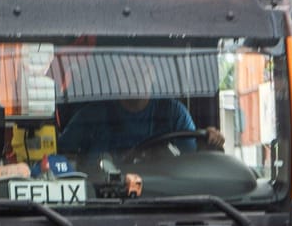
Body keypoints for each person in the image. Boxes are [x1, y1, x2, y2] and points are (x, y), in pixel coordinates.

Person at [58, 57, 223, 159]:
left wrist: (207, 142)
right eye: (127, 71)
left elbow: (191, 161)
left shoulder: (174, 114)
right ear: (115, 77)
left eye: (141, 70)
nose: (134, 77)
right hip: (103, 203)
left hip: (166, 203)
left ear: (152, 74)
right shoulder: (91, 117)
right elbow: (61, 157)